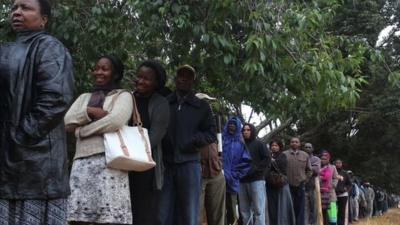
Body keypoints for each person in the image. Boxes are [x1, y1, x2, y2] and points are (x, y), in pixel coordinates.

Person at [0, 0, 74, 224]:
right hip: (7, 162)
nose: (17, 13)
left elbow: (56, 98)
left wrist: (21, 135)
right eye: (14, 8)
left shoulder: (49, 47)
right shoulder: (6, 49)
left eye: (26, 8)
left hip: (37, 165)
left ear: (44, 19)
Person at [65, 56, 133, 225]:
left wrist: (82, 131)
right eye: (96, 68)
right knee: (80, 219)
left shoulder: (123, 96)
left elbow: (115, 121)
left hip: (111, 164)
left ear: (115, 74)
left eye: (104, 69)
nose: (98, 72)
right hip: (82, 164)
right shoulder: (84, 98)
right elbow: (67, 121)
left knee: (108, 219)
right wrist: (90, 111)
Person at [158, 64, 217, 225]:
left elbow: (211, 133)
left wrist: (193, 141)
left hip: (189, 163)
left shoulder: (202, 107)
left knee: (189, 213)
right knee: (163, 213)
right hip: (166, 164)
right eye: (181, 76)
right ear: (176, 79)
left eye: (188, 76)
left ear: (192, 81)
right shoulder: (165, 103)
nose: (183, 79)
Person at [129, 60, 170, 225]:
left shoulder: (161, 103)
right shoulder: (128, 98)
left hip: (145, 167)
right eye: (139, 77)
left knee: (144, 214)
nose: (140, 81)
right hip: (123, 165)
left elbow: (154, 137)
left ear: (156, 83)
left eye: (146, 78)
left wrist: (131, 152)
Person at [196, 93, 226, 225]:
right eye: (204, 102)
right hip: (197, 173)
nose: (208, 105)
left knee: (218, 215)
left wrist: (220, 164)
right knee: (195, 214)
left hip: (216, 172)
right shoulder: (189, 122)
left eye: (209, 102)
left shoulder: (214, 123)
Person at [238, 123, 270, 225]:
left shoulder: (259, 144)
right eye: (244, 130)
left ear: (252, 131)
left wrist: (256, 169)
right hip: (242, 181)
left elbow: (267, 159)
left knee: (258, 210)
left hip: (256, 180)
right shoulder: (239, 146)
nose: (245, 132)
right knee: (244, 210)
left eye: (248, 130)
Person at [222, 117, 251, 225]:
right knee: (218, 208)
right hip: (219, 180)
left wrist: (235, 175)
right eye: (230, 124)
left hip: (233, 182)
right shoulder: (221, 140)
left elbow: (246, 162)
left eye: (234, 125)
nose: (231, 126)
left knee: (232, 209)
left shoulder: (241, 143)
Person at [283, 137, 312, 225]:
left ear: (299, 144)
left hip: (300, 185)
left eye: (296, 142)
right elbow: (280, 169)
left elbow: (309, 170)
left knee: (300, 208)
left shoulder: (305, 155)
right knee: (288, 207)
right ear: (290, 143)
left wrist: (305, 180)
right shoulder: (284, 154)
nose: (294, 143)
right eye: (292, 142)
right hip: (287, 185)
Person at [267, 139, 295, 225]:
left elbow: (282, 170)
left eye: (276, 145)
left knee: (283, 207)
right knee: (272, 208)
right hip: (270, 186)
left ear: (280, 147)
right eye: (272, 146)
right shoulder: (268, 157)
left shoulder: (282, 156)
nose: (274, 147)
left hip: (281, 185)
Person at [319, 151, 338, 225]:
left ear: (328, 159)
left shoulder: (333, 167)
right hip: (319, 194)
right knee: (321, 214)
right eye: (322, 158)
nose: (323, 160)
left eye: (325, 159)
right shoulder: (318, 167)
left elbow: (335, 178)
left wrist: (333, 185)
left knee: (332, 214)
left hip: (331, 194)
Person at [303, 143, 321, 225]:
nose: (307, 148)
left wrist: (304, 167)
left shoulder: (316, 159)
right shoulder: (300, 157)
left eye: (309, 147)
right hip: (302, 187)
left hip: (313, 187)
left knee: (314, 209)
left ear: (312, 149)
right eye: (306, 147)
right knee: (305, 209)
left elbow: (316, 170)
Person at [334, 159, 352, 225]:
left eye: (339, 163)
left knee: (342, 212)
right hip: (333, 194)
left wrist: (345, 189)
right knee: (333, 212)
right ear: (334, 164)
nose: (338, 164)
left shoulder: (345, 173)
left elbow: (350, 184)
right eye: (337, 163)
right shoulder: (332, 172)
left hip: (343, 195)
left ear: (341, 164)